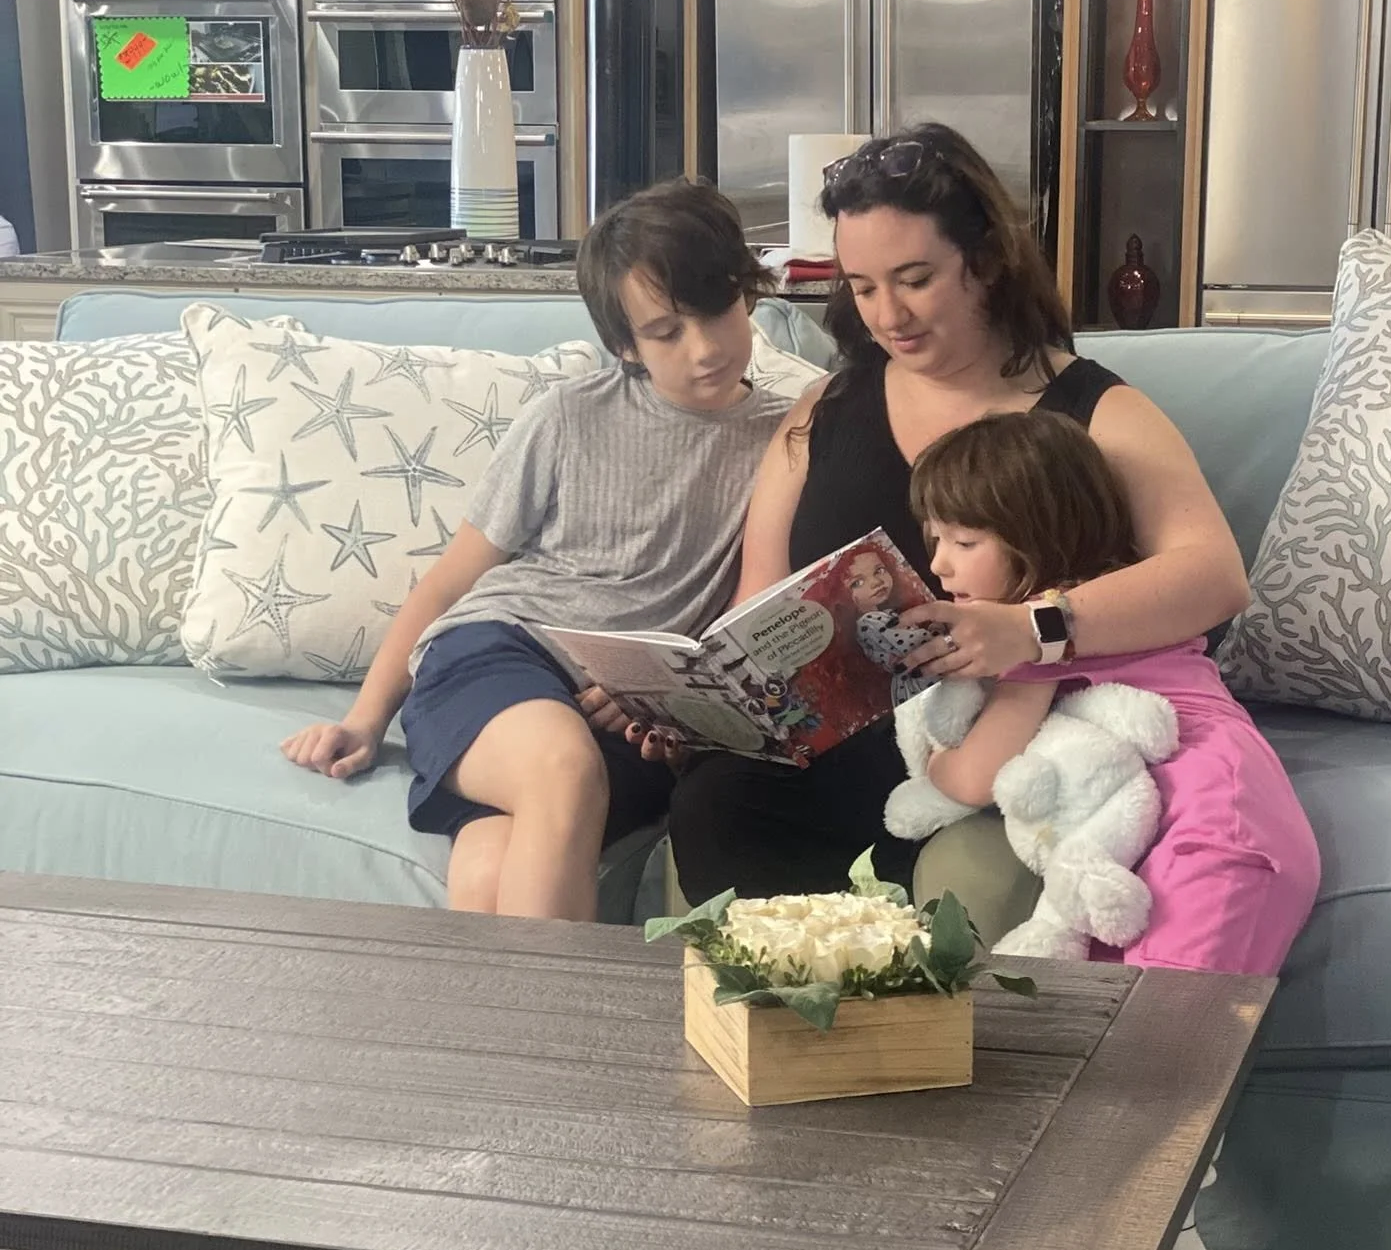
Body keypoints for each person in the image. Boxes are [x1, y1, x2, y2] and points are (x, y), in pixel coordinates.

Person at [665, 120, 1253, 902]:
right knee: (714, 799)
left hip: (1006, 740)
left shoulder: (1094, 409)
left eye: (914, 279)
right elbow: (757, 606)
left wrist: (1029, 629)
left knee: (974, 873)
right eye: (863, 287)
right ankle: (775, 1021)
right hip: (837, 755)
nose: (887, 316)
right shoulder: (825, 409)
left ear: (983, 261)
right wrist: (695, 703)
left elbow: (1214, 579)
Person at [281, 178, 786, 921]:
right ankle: (574, 1038)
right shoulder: (569, 417)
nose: (705, 348)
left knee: (491, 874)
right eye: (666, 331)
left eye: (717, 311)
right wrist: (365, 719)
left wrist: (666, 702)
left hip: (634, 711)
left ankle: (500, 1037)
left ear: (747, 294)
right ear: (625, 345)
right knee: (561, 768)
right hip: (501, 656)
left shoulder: (789, 434)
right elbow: (449, 585)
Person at [905, 410, 1319, 975]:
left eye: (964, 540)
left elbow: (972, 779)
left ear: (1039, 538)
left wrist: (933, 758)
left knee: (1156, 1031)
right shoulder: (1108, 604)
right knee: (1132, 1027)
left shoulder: (1038, 640)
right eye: (935, 538)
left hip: (1216, 827)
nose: (938, 563)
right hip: (1212, 812)